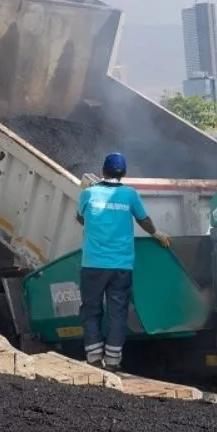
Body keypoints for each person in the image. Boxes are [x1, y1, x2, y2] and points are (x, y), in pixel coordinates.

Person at [76, 152, 170, 370]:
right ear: (124, 173)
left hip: (93, 265)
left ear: (103, 171)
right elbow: (143, 219)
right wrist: (157, 234)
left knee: (91, 311)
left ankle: (93, 358)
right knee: (118, 313)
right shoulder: (130, 195)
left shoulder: (88, 194)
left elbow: (80, 218)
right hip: (121, 266)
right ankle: (113, 361)